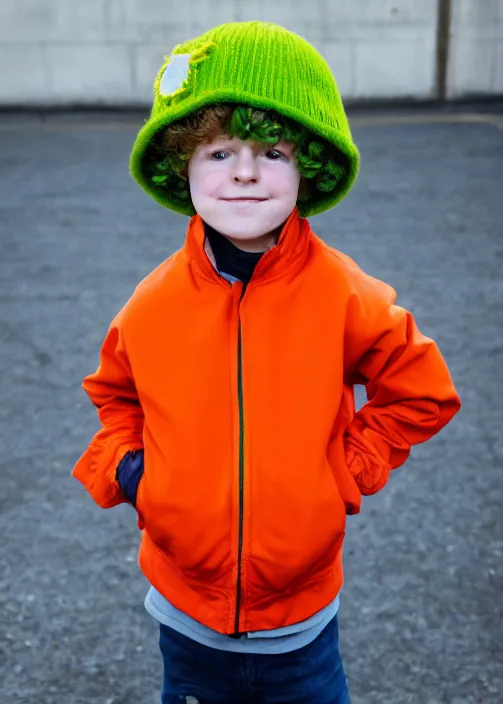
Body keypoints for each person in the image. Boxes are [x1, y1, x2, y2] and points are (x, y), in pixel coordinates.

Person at [72, 21, 461, 704]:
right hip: (184, 619)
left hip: (302, 632)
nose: (246, 171)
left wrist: (349, 466)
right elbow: (115, 396)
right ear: (182, 165)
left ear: (305, 165)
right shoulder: (153, 302)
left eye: (272, 151)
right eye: (220, 151)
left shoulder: (344, 294)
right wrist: (133, 472)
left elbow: (421, 391)